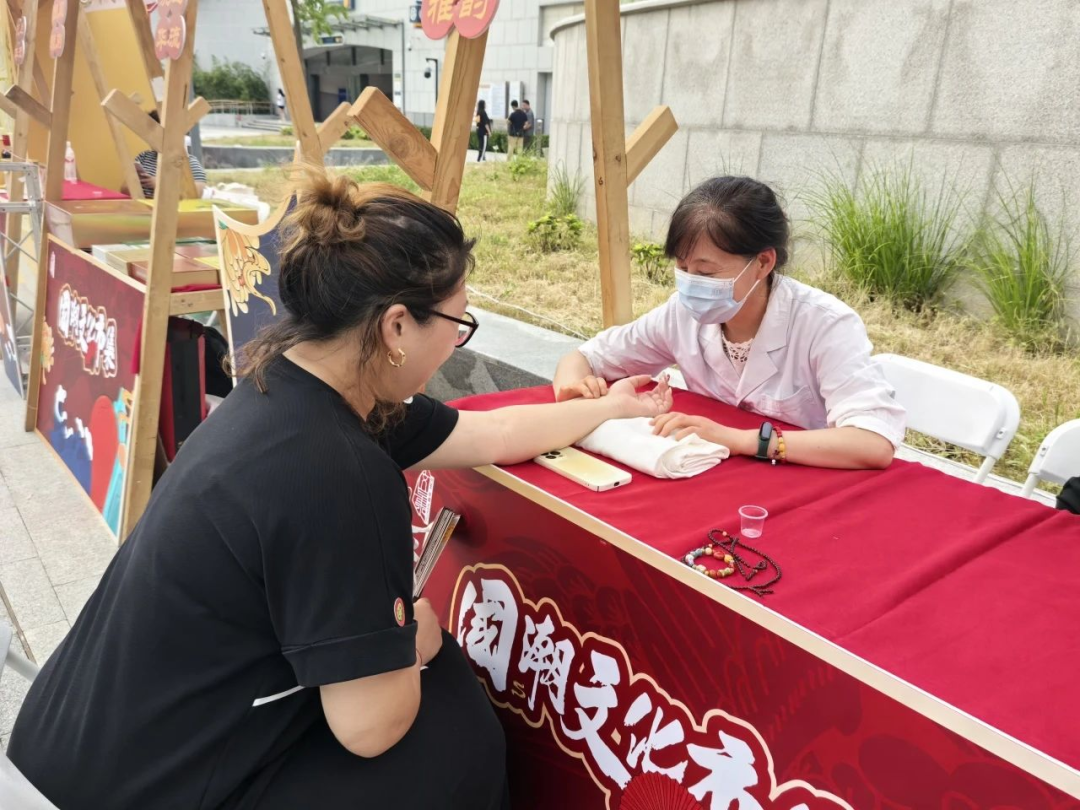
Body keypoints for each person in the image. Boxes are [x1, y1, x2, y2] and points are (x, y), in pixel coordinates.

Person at [8, 167, 672, 810]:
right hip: (146, 788)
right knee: (454, 726)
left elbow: (488, 433)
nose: (456, 344)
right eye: (458, 323)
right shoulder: (339, 470)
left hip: (77, 748)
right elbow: (370, 726)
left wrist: (609, 409)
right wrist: (420, 635)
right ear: (396, 326)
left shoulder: (287, 385)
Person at [553, 176, 906, 470]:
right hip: (712, 475)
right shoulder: (681, 314)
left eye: (706, 273)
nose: (690, 283)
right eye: (682, 268)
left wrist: (742, 440)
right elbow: (584, 358)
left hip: (805, 482)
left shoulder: (824, 325)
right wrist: (575, 389)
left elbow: (873, 443)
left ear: (763, 263)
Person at [126, 110, 207, 199]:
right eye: (148, 136)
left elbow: (197, 192)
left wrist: (160, 185)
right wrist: (134, 183)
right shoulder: (144, 157)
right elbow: (124, 188)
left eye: (156, 136)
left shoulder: (189, 162)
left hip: (173, 206)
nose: (151, 140)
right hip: (142, 205)